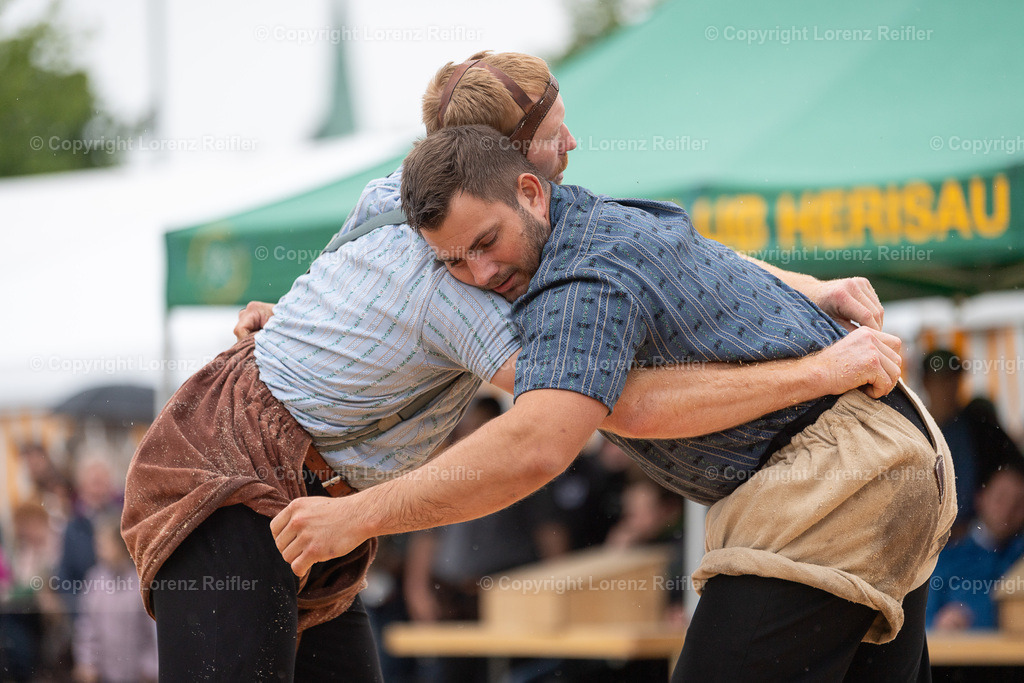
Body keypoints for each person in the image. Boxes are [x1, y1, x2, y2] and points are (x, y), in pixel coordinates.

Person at [125, 52, 904, 681]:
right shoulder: (471, 276)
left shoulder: (431, 205)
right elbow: (580, 418)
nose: (573, 145)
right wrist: (820, 369)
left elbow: (665, 251)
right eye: (557, 134)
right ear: (511, 162)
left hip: (305, 482)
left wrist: (808, 286)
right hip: (235, 469)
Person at [272, 124, 956, 681]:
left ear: (531, 192)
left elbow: (538, 444)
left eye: (486, 243)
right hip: (880, 454)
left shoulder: (579, 283)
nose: (480, 273)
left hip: (839, 476)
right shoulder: (605, 215)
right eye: (453, 263)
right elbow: (707, 259)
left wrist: (357, 515)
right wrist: (288, 323)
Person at [921, 349, 1024, 534]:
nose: (948, 387)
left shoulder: (979, 424)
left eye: (953, 379)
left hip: (976, 534)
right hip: (930, 536)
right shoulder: (914, 428)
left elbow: (1013, 466)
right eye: (941, 380)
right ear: (925, 382)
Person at [927, 464, 1024, 631]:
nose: (1007, 510)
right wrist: (939, 624)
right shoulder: (944, 556)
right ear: (980, 498)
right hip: (960, 647)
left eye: (1019, 503)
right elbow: (921, 626)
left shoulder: (1019, 557)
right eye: (1000, 499)